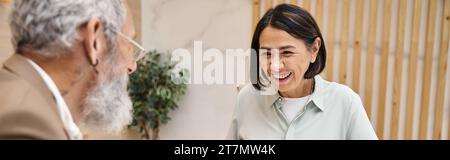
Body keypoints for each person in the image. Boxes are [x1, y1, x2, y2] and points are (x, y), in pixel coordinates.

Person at [227, 4, 378, 140]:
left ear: (314, 49)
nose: (275, 66)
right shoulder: (247, 99)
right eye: (267, 54)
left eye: (286, 52)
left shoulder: (345, 102)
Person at [0, 0, 146, 140]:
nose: (132, 66)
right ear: (95, 40)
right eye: (128, 45)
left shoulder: (24, 98)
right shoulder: (25, 124)